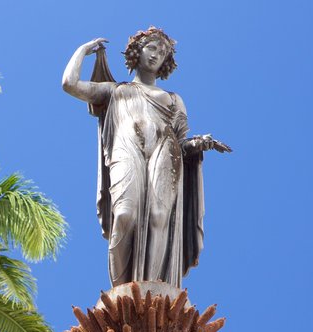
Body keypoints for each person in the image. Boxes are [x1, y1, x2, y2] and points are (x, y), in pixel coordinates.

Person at [62, 27, 230, 287]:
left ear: (166, 62)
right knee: (125, 215)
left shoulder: (173, 99)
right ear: (136, 51)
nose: (156, 55)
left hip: (166, 149)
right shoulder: (115, 90)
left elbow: (183, 141)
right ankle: (121, 292)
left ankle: (152, 289)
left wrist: (200, 143)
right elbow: (69, 84)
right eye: (152, 47)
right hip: (126, 147)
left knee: (159, 216)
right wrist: (83, 50)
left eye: (162, 52)